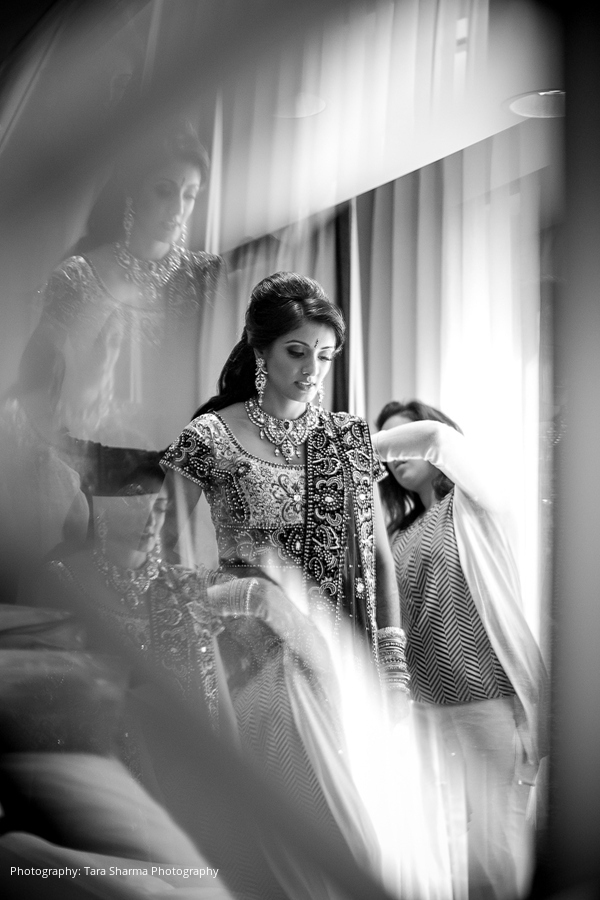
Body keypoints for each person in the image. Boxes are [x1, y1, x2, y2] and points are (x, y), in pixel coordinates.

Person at [27, 457, 383, 900]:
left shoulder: (188, 586)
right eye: (135, 500)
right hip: (112, 792)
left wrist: (329, 681)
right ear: (100, 508)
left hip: (206, 790)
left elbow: (265, 608)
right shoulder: (62, 582)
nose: (152, 513)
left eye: (159, 504)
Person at [372, 399, 549, 900]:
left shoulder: (477, 501)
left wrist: (345, 446)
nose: (394, 457)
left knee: (494, 853)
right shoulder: (400, 533)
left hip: (487, 701)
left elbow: (439, 441)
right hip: (424, 712)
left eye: (400, 441)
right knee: (441, 862)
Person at [17, 119, 224, 460]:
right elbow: (33, 384)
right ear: (133, 189)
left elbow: (220, 381)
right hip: (89, 459)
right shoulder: (79, 277)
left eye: (189, 195)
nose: (178, 209)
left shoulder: (205, 277)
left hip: (180, 463)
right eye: (164, 190)